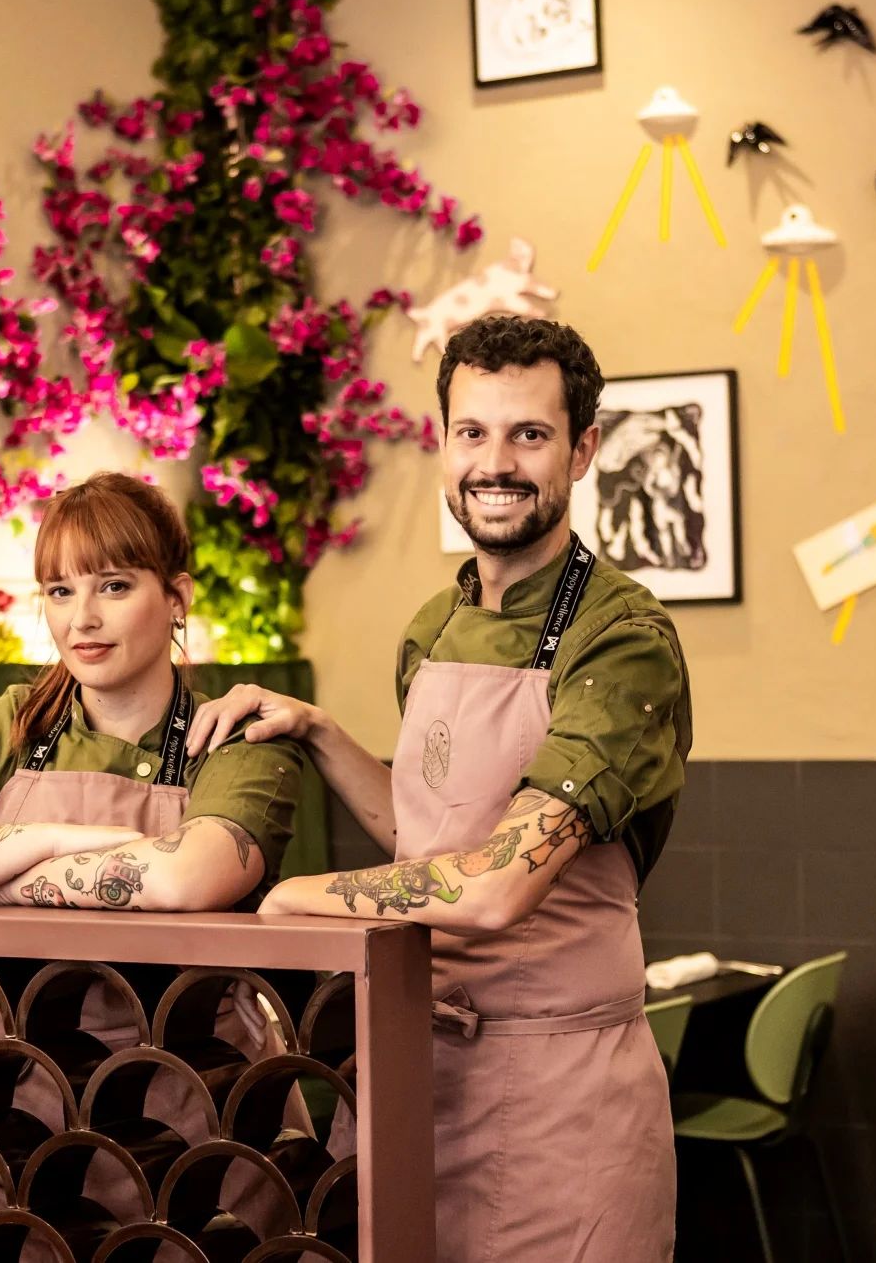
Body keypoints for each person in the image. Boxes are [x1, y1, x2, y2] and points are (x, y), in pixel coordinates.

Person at [188, 315, 688, 1260]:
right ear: (444, 442)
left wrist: (301, 898)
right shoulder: (435, 622)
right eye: (472, 432)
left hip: (561, 1100)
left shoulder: (624, 641)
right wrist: (319, 730)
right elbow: (430, 844)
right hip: (421, 1074)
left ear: (581, 450)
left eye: (528, 434)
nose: (495, 462)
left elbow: (495, 881)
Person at [0, 471, 307, 1222]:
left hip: (202, 1113)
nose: (82, 617)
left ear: (176, 596)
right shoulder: (12, 723)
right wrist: (52, 837)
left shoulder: (240, 738)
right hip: (26, 1105)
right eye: (59, 591)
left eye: (114, 586)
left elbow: (187, 877)